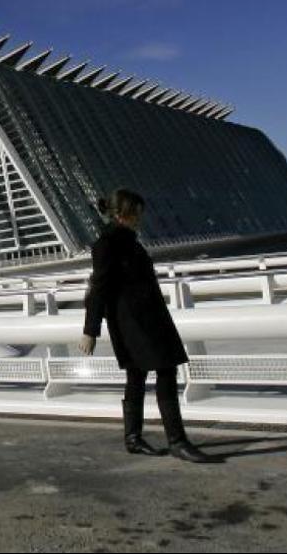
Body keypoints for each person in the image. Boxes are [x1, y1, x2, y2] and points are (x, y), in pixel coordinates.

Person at [78, 188, 221, 464]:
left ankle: (134, 439)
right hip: (133, 323)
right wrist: (90, 330)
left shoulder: (130, 241)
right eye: (136, 213)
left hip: (148, 318)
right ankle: (177, 441)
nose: (140, 218)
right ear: (121, 214)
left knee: (138, 376)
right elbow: (99, 288)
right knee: (164, 370)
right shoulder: (107, 244)